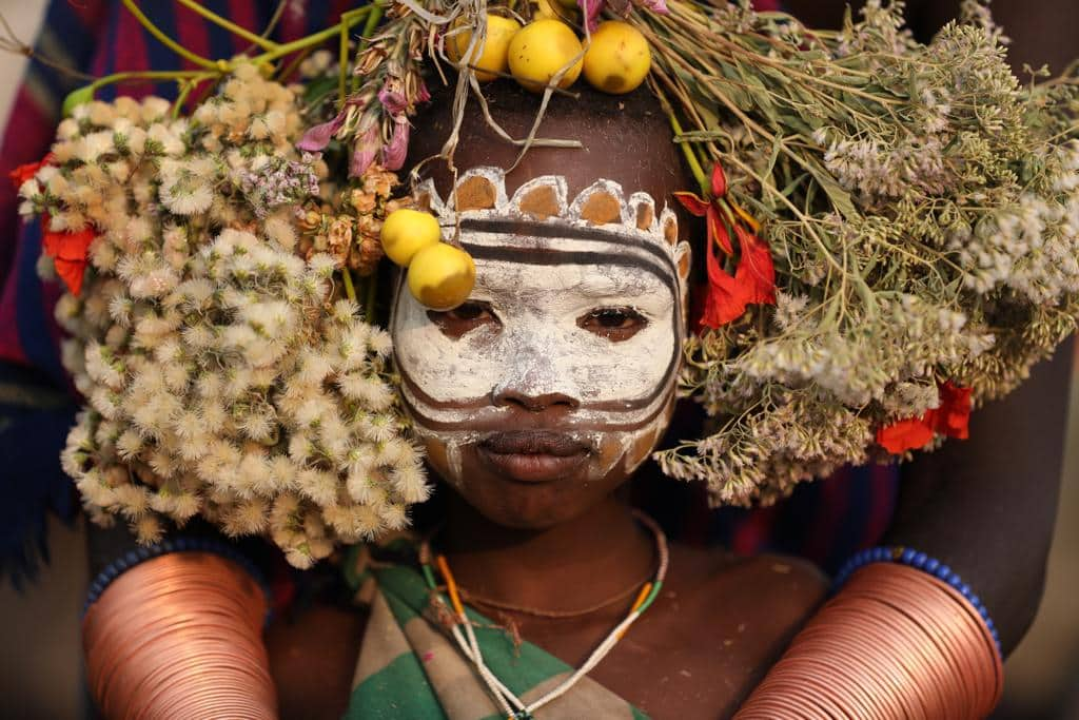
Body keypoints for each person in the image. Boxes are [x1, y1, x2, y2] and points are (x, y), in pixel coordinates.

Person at [2, 2, 1074, 718]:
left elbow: (995, 494)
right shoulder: (303, 672)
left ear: (708, 314)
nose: (536, 376)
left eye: (608, 319)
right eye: (461, 311)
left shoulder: (777, 622)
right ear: (357, 310)